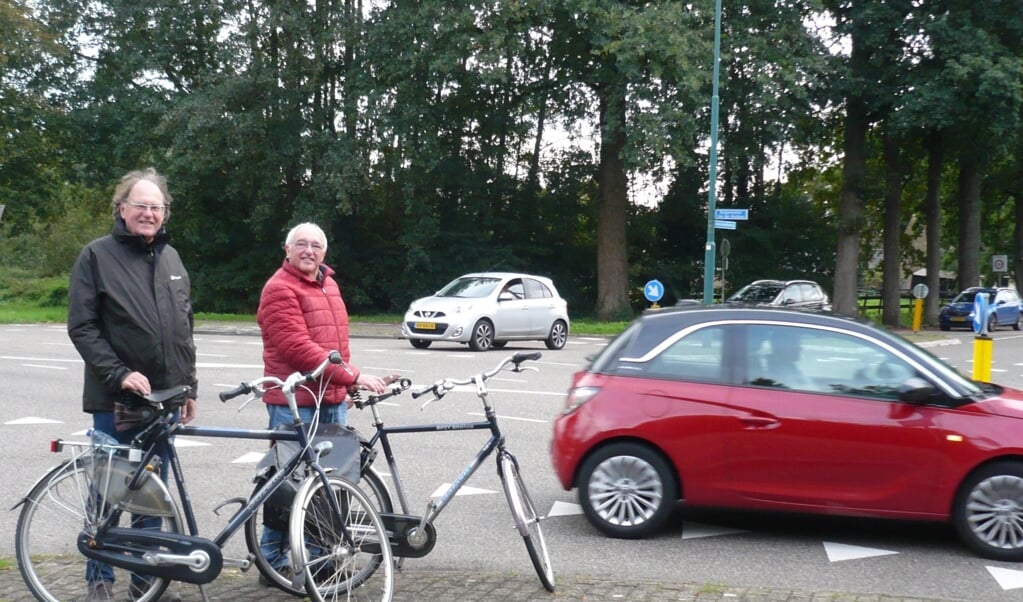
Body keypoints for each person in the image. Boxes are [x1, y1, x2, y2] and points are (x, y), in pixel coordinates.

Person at [68, 167, 198, 602]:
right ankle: (99, 581)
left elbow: (184, 328)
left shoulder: (172, 259)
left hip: (164, 401)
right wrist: (119, 373)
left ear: (165, 214)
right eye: (140, 205)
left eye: (155, 207)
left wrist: (188, 388)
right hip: (116, 400)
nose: (148, 213)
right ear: (121, 209)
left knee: (152, 497)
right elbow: (82, 327)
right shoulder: (95, 256)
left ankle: (147, 582)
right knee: (109, 493)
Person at [255, 221, 388, 580]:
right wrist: (354, 376)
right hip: (294, 403)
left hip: (331, 399)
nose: (309, 251)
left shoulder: (328, 284)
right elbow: (299, 349)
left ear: (324, 253)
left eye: (316, 245)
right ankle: (270, 560)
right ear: (287, 250)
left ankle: (321, 558)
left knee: (327, 487)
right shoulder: (279, 289)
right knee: (288, 486)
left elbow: (336, 349)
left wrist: (347, 386)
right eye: (301, 244)